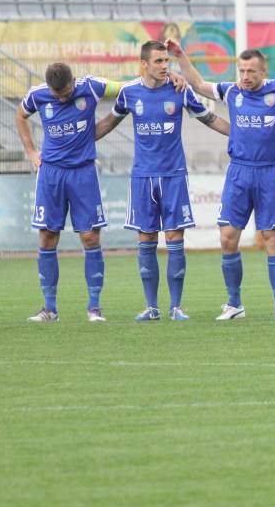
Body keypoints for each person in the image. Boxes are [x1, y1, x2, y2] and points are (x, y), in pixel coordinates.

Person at [95, 40, 230, 321]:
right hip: (143, 177)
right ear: (144, 64)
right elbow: (108, 123)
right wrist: (78, 140)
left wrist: (240, 133)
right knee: (146, 239)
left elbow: (209, 118)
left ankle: (176, 307)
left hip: (173, 175)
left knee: (175, 238)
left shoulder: (180, 90)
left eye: (166, 61)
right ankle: (152, 307)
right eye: (158, 61)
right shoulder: (129, 93)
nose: (164, 66)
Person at [171, 40, 275, 321]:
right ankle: (234, 304)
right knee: (227, 237)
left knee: (271, 239)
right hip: (238, 172)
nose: (245, 76)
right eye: (242, 70)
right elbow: (198, 84)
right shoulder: (231, 91)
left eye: (251, 71)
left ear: (263, 71)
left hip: (266, 172)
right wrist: (180, 55)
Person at [16, 63, 124, 322]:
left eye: (66, 94)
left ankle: (94, 307)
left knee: (90, 237)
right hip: (51, 174)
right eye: (58, 95)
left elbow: (127, 89)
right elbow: (20, 115)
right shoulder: (37, 94)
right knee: (47, 237)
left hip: (83, 172)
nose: (63, 99)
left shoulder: (92, 87)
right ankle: (49, 308)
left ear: (74, 80)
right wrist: (31, 151)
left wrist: (113, 118)